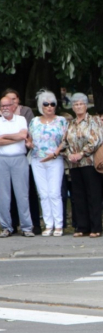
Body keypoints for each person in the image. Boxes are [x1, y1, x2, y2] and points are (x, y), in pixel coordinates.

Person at [64, 93, 103, 238]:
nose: (78, 106)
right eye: (75, 104)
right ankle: (82, 227)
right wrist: (69, 154)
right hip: (74, 165)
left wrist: (82, 153)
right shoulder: (70, 123)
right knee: (78, 196)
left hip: (90, 162)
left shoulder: (94, 120)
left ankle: (96, 228)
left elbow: (97, 139)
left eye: (81, 104)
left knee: (93, 195)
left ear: (86, 106)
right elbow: (65, 141)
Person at [27, 90, 67, 236]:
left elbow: (65, 140)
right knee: (43, 194)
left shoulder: (61, 120)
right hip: (37, 159)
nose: (49, 107)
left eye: (52, 104)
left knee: (54, 193)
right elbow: (30, 138)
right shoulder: (34, 121)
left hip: (55, 159)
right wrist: (29, 144)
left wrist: (55, 152)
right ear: (41, 106)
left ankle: (59, 225)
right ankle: (48, 225)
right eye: (46, 104)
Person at [3, 88, 41, 234]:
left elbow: (24, 135)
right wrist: (15, 137)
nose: (8, 106)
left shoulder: (23, 117)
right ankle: (8, 226)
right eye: (4, 104)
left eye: (12, 101)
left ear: (16, 102)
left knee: (24, 193)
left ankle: (29, 226)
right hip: (3, 159)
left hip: (21, 158)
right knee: (5, 195)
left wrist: (5, 136)